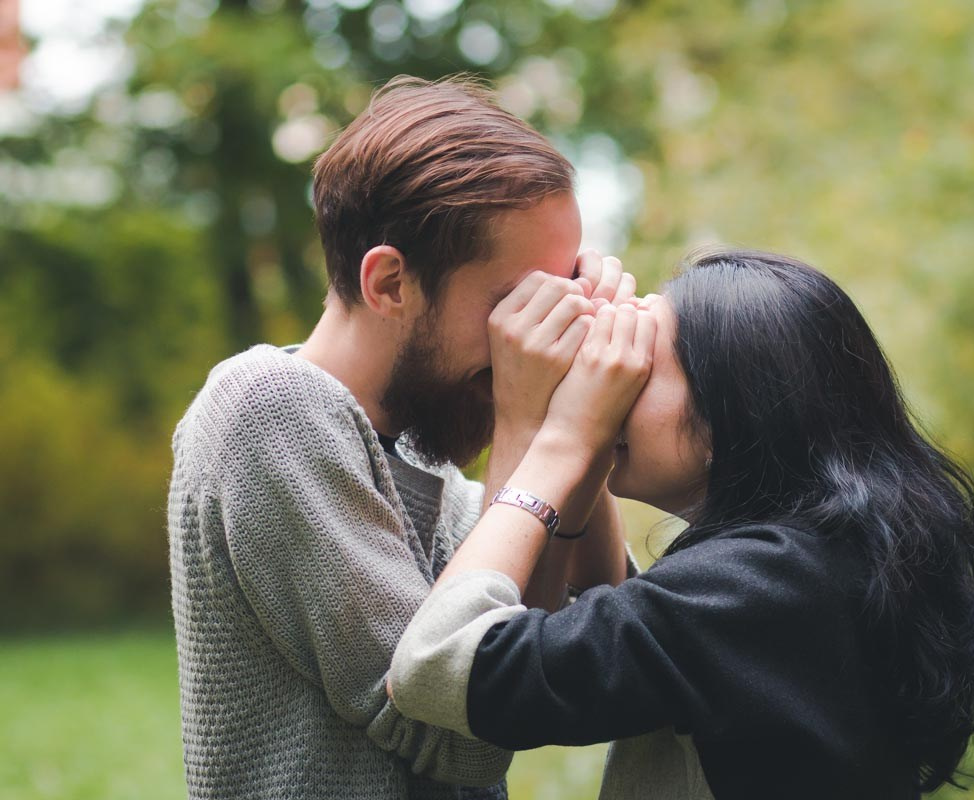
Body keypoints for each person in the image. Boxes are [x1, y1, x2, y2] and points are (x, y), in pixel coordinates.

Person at [387, 249, 974, 799]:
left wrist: (558, 438)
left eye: (641, 367)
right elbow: (611, 614)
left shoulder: (752, 586)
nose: (615, 387)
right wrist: (583, 437)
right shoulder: (815, 566)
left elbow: (437, 665)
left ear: (729, 412)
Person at [167, 76, 636, 800]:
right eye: (517, 301)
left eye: (559, 293)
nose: (533, 335)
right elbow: (460, 731)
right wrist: (531, 427)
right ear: (389, 283)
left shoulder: (420, 453)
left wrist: (580, 421)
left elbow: (583, 642)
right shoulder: (265, 409)